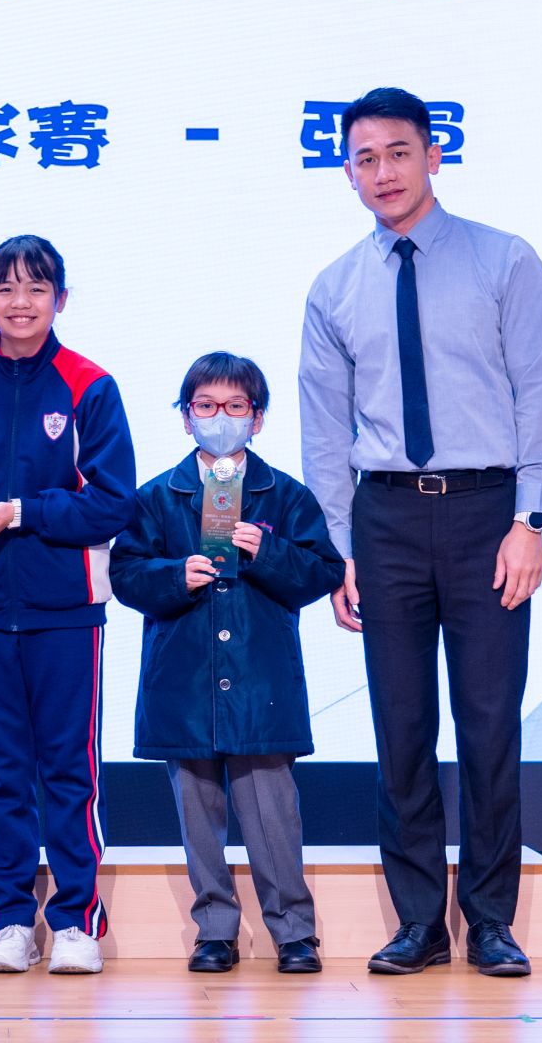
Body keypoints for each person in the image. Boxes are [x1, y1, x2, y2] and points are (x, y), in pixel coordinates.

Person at [298, 87, 542, 978]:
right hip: (386, 521)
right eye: (365, 159)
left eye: (398, 153)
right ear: (348, 172)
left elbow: (540, 396)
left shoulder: (504, 260)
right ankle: (420, 921)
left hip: (488, 511)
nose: (383, 172)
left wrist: (530, 519)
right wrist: (341, 547)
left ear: (433, 155)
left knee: (489, 725)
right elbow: (324, 433)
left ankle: (490, 920)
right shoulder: (335, 288)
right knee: (401, 727)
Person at [0, 235, 136, 975]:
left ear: (61, 299)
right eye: (6, 288)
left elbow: (113, 503)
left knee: (70, 770)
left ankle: (77, 921)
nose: (20, 302)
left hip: (67, 608)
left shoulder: (90, 387)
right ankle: (10, 919)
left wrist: (21, 511)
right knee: (2, 769)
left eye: (36, 288)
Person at [112, 353, 345, 975]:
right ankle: (214, 930)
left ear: (257, 418)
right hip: (183, 683)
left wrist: (267, 551)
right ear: (186, 417)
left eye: (236, 406)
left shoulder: (285, 495)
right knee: (199, 817)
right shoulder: (156, 497)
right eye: (207, 406)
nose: (221, 417)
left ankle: (294, 932)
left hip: (260, 682)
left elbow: (322, 571)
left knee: (273, 815)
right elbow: (125, 575)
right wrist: (173, 575)